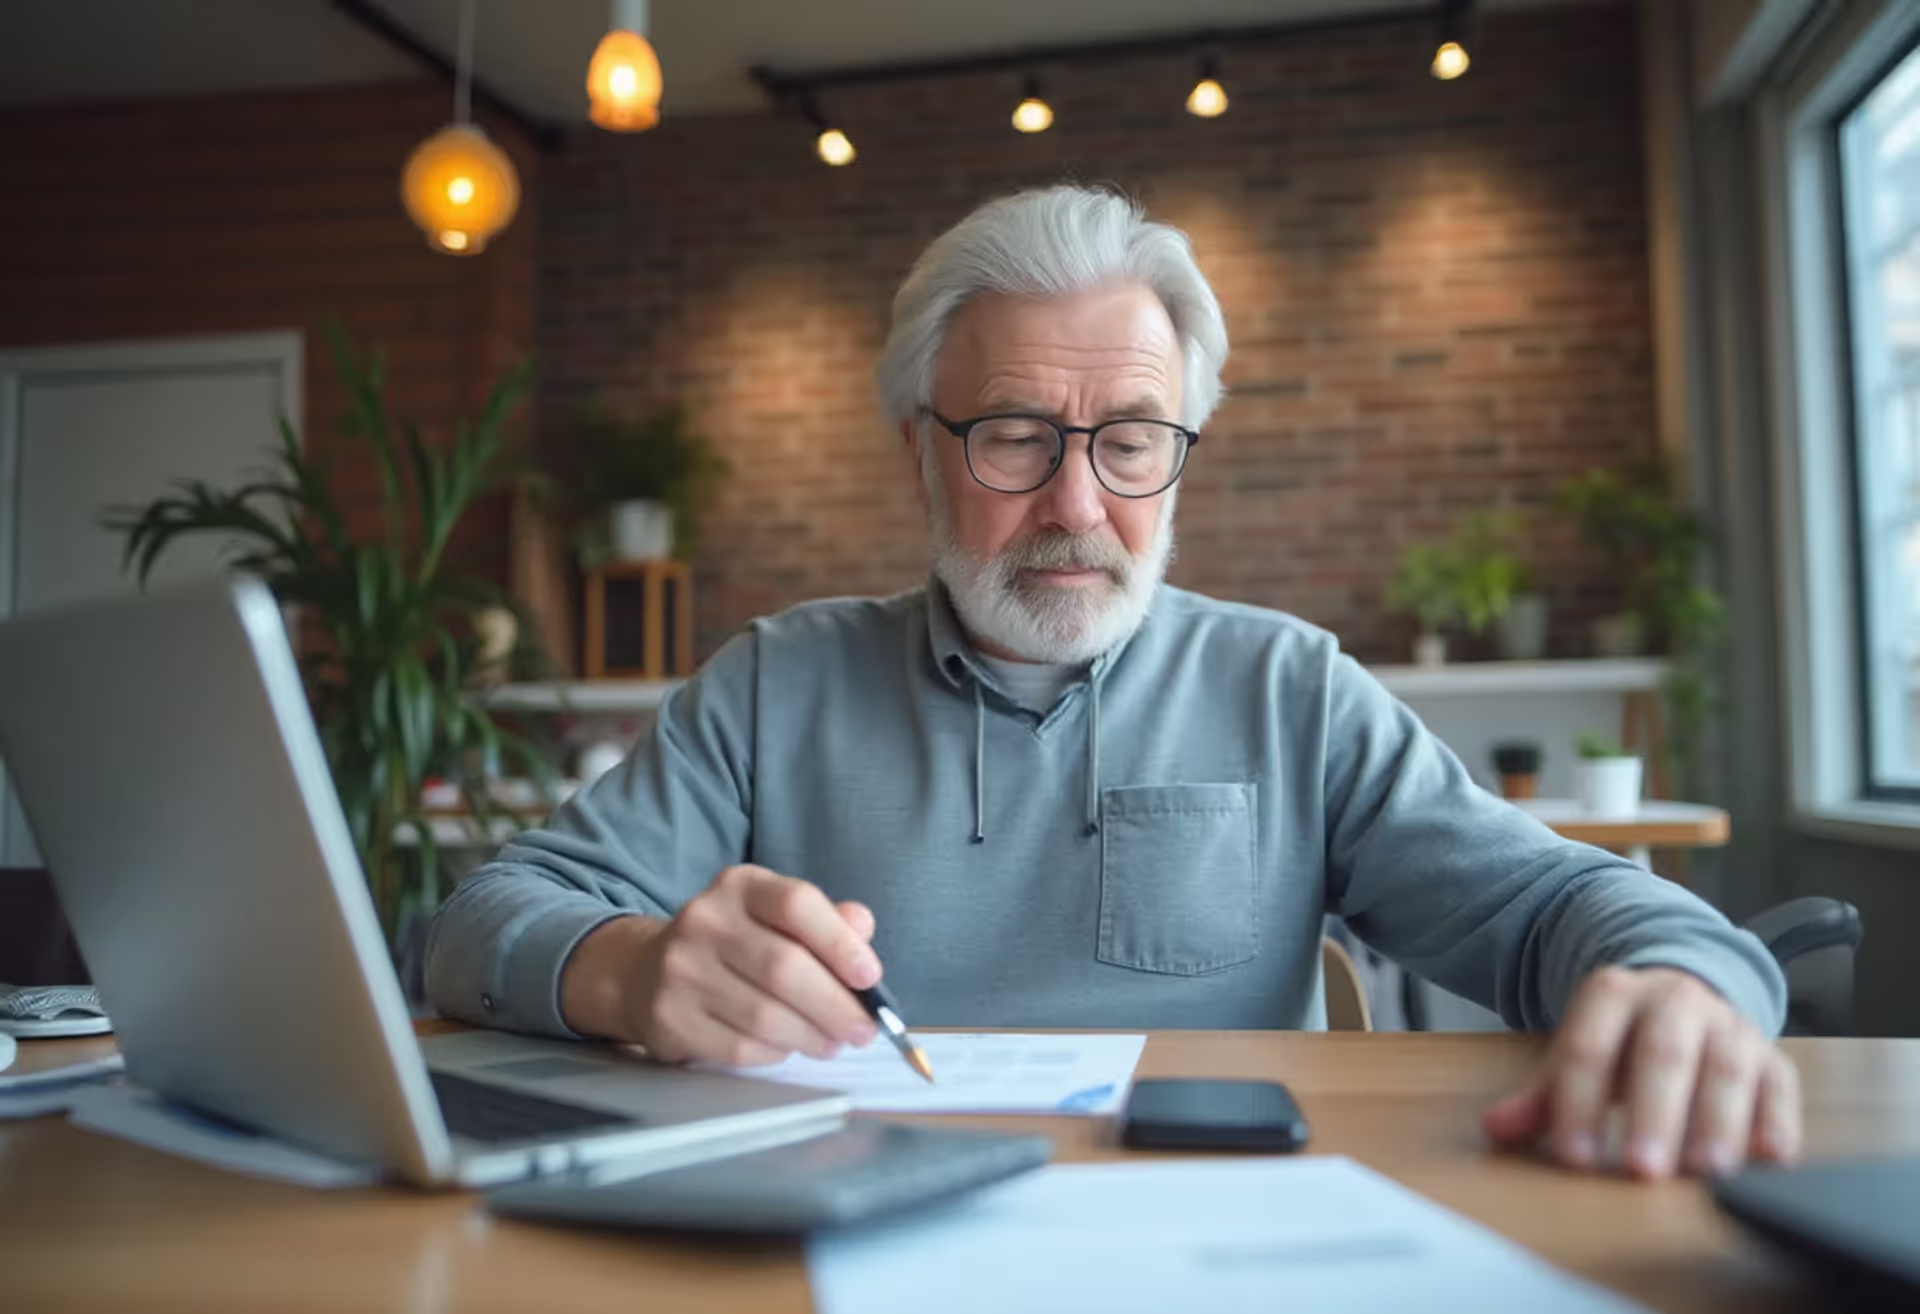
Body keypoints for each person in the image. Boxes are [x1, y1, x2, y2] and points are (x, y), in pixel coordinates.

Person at [426, 184, 1800, 1183]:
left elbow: (1556, 901)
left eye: (1133, 440)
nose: (1078, 502)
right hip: (829, 1233)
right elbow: (481, 917)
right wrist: (627, 968)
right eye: (1015, 436)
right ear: (920, 451)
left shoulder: (1288, 687)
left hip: (1202, 1240)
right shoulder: (774, 685)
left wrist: (1687, 976)